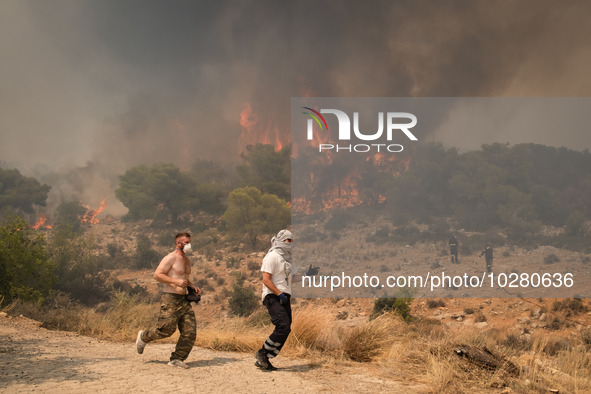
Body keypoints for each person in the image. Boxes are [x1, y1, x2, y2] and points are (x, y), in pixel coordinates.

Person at [135, 232, 200, 369]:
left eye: (189, 242)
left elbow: (184, 278)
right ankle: (144, 337)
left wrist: (191, 285)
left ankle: (177, 359)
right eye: (186, 242)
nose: (188, 245)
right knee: (165, 330)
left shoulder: (187, 260)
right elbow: (157, 275)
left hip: (184, 300)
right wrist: (175, 281)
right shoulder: (170, 258)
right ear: (178, 243)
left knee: (190, 332)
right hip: (171, 298)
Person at [255, 229, 293, 371]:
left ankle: (264, 357)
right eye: (287, 241)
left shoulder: (287, 259)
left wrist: (308, 274)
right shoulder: (272, 256)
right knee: (283, 325)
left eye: (292, 241)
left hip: (285, 296)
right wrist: (279, 294)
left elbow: (292, 278)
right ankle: (263, 354)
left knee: (286, 328)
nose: (290, 243)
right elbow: (266, 279)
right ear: (281, 240)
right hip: (273, 296)